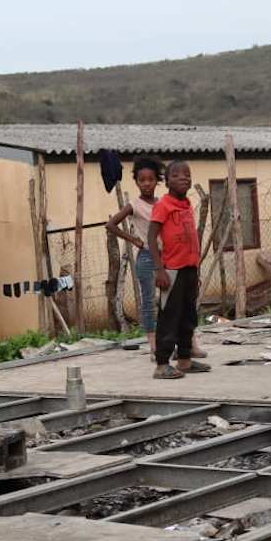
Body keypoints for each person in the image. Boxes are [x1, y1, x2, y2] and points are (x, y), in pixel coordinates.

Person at [104, 156, 203, 358]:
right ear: (136, 182)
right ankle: (154, 346)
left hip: (170, 256)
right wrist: (133, 239)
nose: (147, 184)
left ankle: (189, 345)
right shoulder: (134, 205)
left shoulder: (165, 203)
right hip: (149, 258)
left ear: (158, 181)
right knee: (149, 302)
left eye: (150, 180)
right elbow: (111, 224)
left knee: (178, 302)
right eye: (142, 180)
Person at [148, 160, 209, 379]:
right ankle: (162, 363)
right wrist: (159, 269)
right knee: (169, 317)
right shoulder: (163, 205)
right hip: (171, 271)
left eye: (187, 175)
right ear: (166, 182)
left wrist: (196, 271)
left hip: (189, 269)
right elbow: (151, 238)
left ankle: (184, 359)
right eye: (176, 175)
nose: (183, 178)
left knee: (188, 316)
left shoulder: (187, 206)